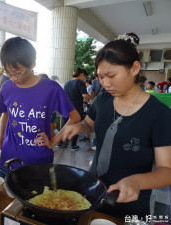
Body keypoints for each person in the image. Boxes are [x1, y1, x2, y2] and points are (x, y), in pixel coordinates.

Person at [36, 32, 171, 219]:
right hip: (93, 191)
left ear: (134, 68)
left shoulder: (159, 114)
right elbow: (89, 123)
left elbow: (167, 171)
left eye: (112, 75)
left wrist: (138, 181)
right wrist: (80, 127)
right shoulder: (103, 99)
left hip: (129, 204)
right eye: (100, 77)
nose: (106, 83)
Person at [0, 37, 80, 178]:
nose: (13, 78)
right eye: (8, 73)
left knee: (36, 198)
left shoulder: (51, 88)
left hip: (38, 163)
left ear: (32, 64)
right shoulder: (7, 87)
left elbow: (75, 117)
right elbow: (6, 113)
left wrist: (53, 141)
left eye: (18, 72)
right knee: (6, 198)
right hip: (8, 160)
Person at [63, 68, 94, 151]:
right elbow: (84, 95)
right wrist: (93, 98)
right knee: (75, 126)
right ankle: (73, 145)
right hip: (76, 109)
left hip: (66, 108)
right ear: (81, 74)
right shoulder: (80, 82)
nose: (84, 78)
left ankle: (61, 142)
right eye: (85, 76)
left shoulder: (67, 83)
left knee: (65, 125)